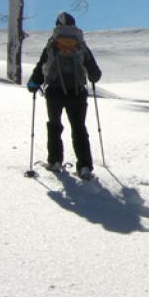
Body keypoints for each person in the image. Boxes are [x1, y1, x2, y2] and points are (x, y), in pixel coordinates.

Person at [27, 12, 102, 179]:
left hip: (54, 91)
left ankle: (54, 161)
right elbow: (95, 73)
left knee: (54, 125)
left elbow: (41, 67)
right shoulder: (81, 45)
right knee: (79, 128)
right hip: (77, 92)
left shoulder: (52, 45)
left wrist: (33, 83)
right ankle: (84, 167)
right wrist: (91, 76)